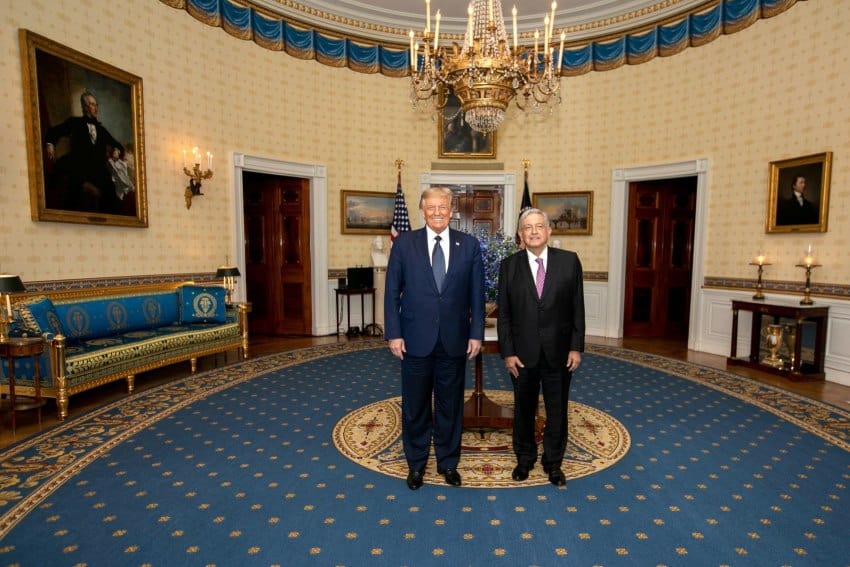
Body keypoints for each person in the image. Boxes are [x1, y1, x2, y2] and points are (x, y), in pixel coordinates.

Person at [384, 186, 485, 490]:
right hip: (414, 339)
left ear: (452, 209)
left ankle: (447, 463)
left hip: (454, 340)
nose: (438, 212)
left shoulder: (468, 245)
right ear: (422, 210)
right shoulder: (404, 244)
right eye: (431, 207)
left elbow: (477, 295)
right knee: (415, 406)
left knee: (449, 406)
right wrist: (394, 333)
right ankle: (416, 465)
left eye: (443, 207)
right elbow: (391, 292)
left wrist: (476, 334)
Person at [497, 207, 585, 487]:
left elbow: (577, 309)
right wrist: (508, 353)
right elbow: (505, 315)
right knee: (523, 410)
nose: (533, 231)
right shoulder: (509, 266)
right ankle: (524, 460)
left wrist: (576, 346)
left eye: (539, 226)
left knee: (557, 410)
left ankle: (553, 463)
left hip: (560, 353)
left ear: (549, 231)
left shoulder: (569, 262)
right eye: (527, 227)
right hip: (522, 355)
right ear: (521, 234)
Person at [44, 91, 126, 214]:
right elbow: (54, 131)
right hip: (78, 164)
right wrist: (50, 144)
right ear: (85, 107)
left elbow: (117, 144)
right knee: (73, 190)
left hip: (97, 168)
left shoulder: (101, 129)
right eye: (92, 104)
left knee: (110, 189)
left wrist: (116, 150)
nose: (96, 107)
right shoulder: (74, 122)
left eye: (96, 104)